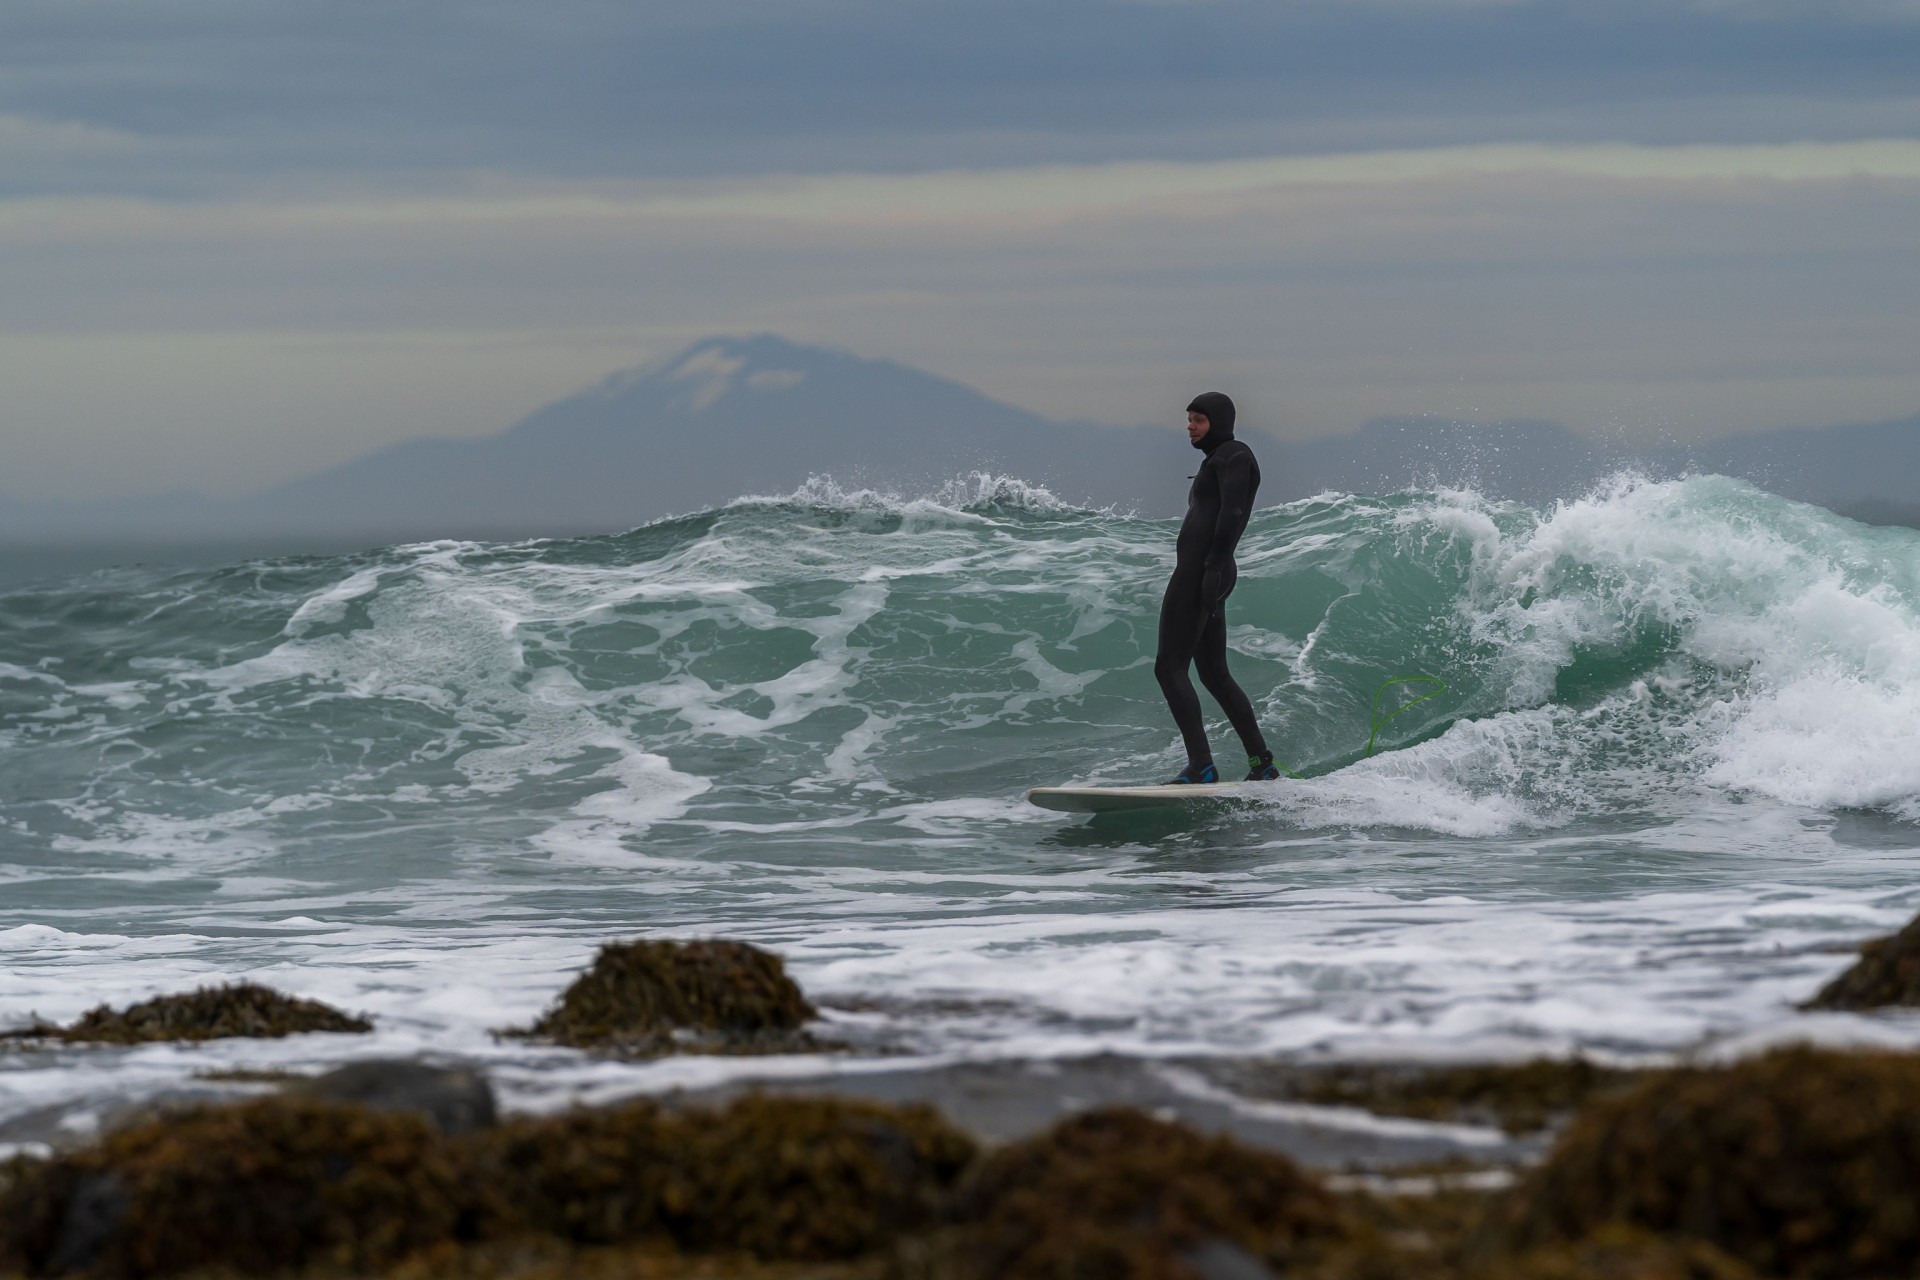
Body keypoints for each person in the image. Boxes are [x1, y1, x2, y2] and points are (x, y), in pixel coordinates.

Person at [1155, 391, 1279, 784]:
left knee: (1169, 667)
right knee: (1213, 673)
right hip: (1208, 570)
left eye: (1199, 419)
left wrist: (1211, 567)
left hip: (1202, 572)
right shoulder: (1218, 460)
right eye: (1189, 419)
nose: (1190, 426)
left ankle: (1201, 765)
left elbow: (1233, 513)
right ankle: (1262, 764)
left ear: (1220, 421)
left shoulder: (1234, 455)